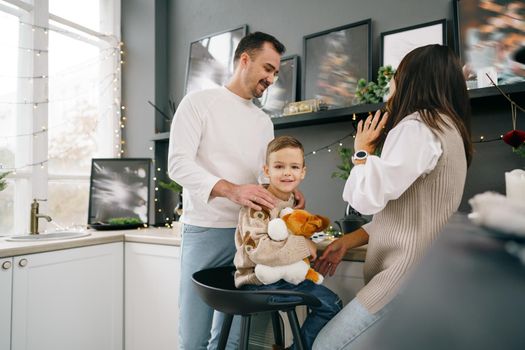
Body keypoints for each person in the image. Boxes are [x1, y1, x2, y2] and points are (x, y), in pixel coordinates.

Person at [312, 44, 474, 349]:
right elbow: (408, 215)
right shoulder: (450, 128)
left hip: (402, 279)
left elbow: (365, 200)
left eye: (397, 76)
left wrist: (362, 152)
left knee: (326, 346)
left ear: (414, 79)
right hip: (427, 278)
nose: (392, 85)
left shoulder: (417, 126)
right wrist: (346, 241)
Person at [168, 32, 304, 350]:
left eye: (275, 73)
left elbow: (261, 175)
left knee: (231, 339)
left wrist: (286, 193)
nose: (271, 78)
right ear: (245, 60)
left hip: (252, 237)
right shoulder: (198, 103)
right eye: (267, 68)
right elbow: (177, 164)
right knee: (194, 337)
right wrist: (232, 191)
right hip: (206, 231)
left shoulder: (263, 121)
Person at [234, 135, 342, 350]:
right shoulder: (259, 204)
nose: (287, 172)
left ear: (303, 171)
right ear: (267, 171)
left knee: (333, 303)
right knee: (330, 305)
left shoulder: (291, 200)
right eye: (279, 166)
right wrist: (304, 244)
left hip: (281, 276)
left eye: (294, 167)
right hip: (258, 282)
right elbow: (259, 251)